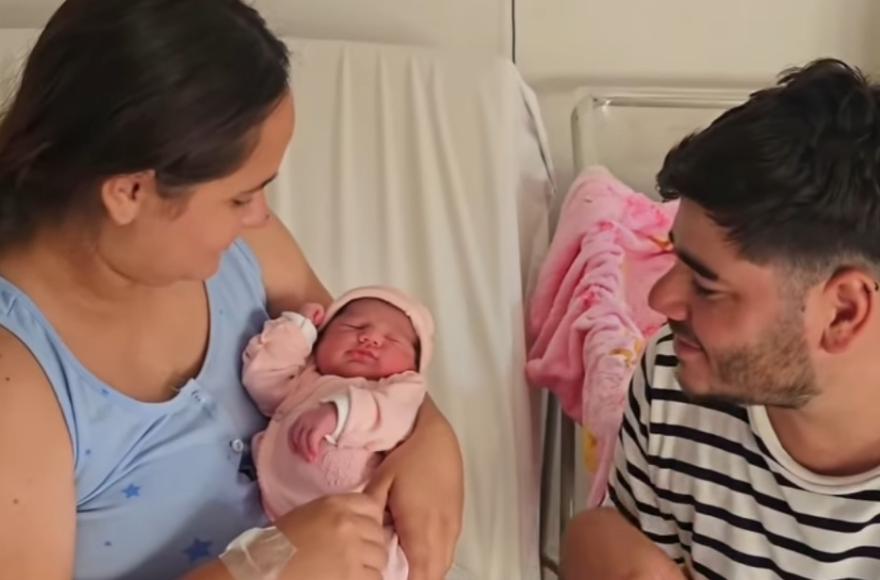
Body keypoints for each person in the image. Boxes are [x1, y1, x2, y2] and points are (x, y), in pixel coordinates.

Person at [0, 1, 462, 579]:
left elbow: (351, 352)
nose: (261, 216)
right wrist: (263, 566)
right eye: (240, 196)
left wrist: (431, 435)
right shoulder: (19, 384)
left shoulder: (239, 251)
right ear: (129, 192)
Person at [562, 59, 880, 580]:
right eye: (674, 256)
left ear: (843, 312)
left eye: (707, 285)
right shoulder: (675, 380)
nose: (662, 299)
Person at [243, 286, 436, 579]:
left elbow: (392, 417)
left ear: (414, 365)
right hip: (281, 520)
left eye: (393, 339)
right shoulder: (306, 379)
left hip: (367, 526)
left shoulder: (399, 391)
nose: (370, 338)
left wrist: (339, 414)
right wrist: (298, 329)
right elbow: (263, 380)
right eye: (353, 326)